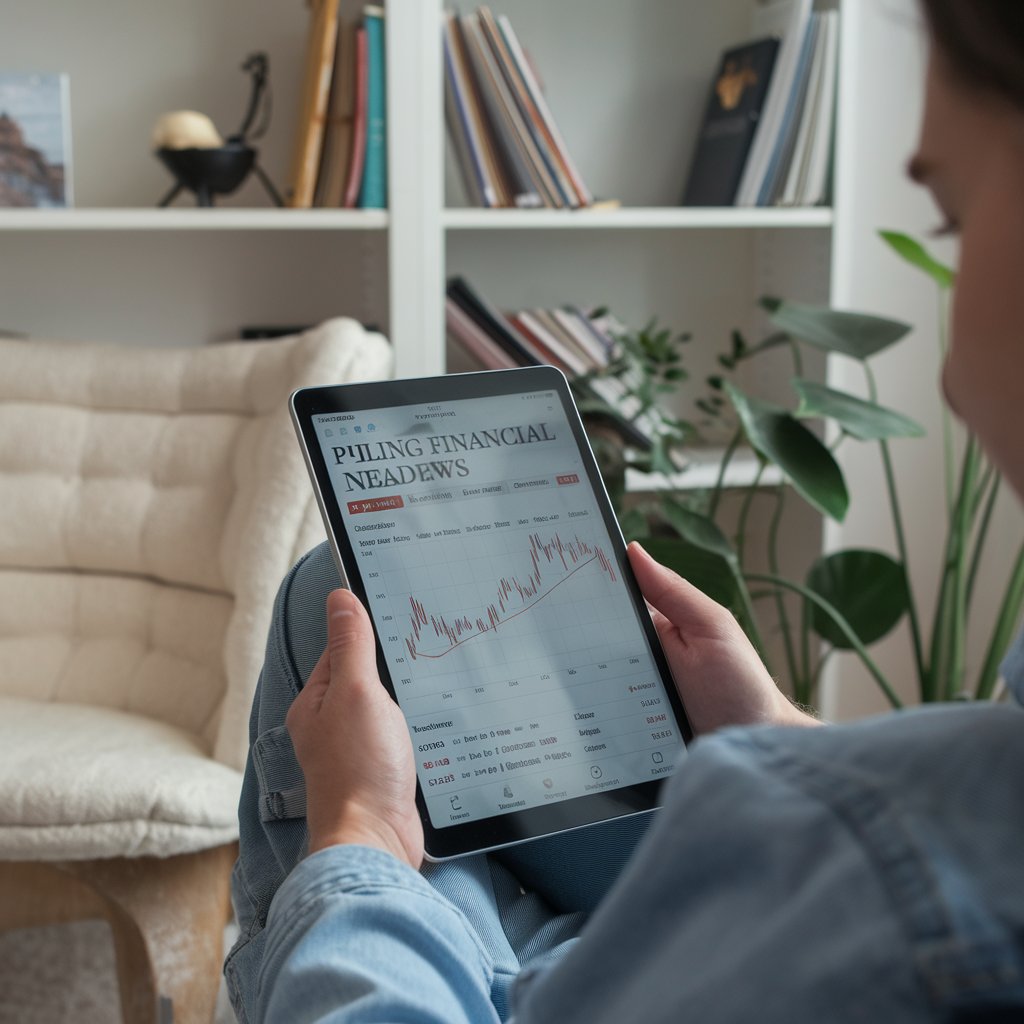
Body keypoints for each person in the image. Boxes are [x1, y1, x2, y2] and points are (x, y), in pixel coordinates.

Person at [225, 1, 1024, 1019]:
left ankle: (424, 890)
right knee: (341, 590)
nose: (949, 360)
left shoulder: (890, 888)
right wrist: (775, 729)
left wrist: (363, 833)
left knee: (356, 679)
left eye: (951, 219)